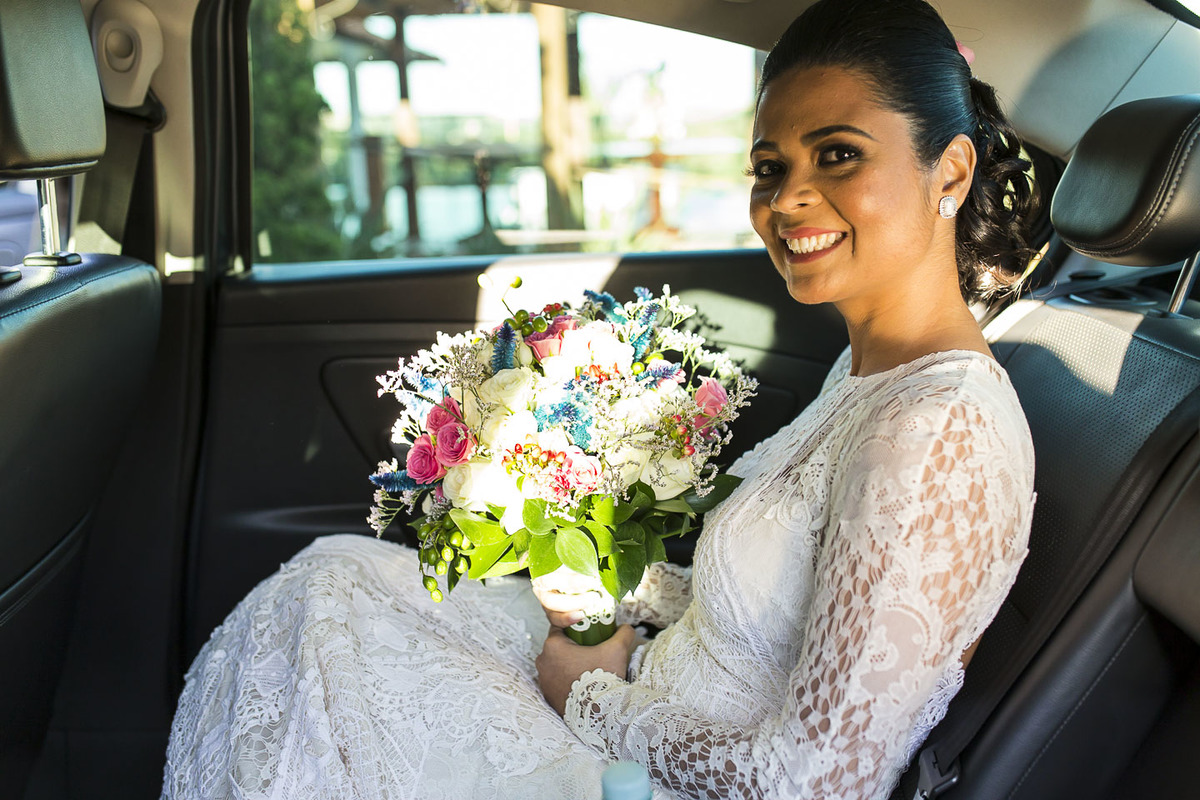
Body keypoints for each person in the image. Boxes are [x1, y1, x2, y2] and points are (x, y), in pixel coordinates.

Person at [161, 0, 1037, 797]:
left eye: (838, 155)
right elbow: (760, 613)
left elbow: (813, 785)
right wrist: (603, 588)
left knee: (320, 636)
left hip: (648, 766)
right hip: (645, 698)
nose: (788, 199)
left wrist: (589, 695)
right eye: (769, 168)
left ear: (950, 172)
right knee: (330, 585)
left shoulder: (938, 431)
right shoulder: (865, 375)